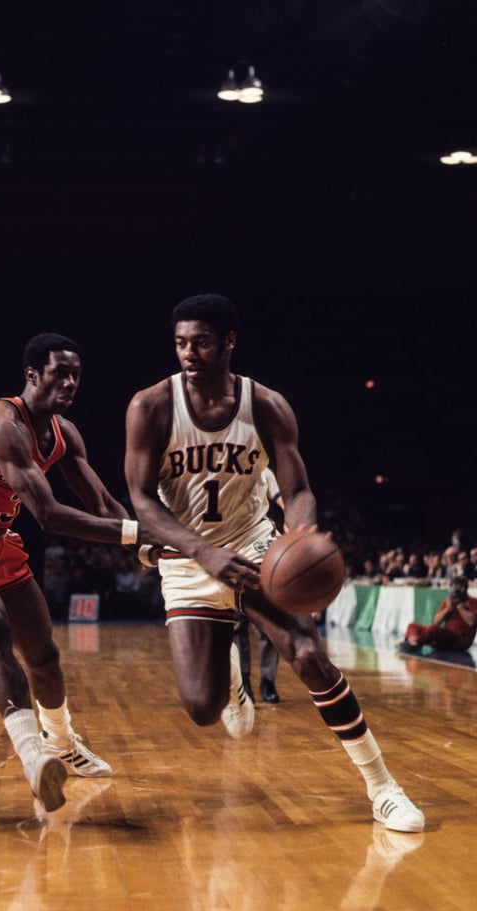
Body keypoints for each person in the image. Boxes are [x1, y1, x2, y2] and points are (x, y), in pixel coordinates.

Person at [124, 292, 425, 833]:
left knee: (307, 654)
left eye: (202, 343)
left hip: (254, 545)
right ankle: (232, 675)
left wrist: (299, 534)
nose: (189, 354)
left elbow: (299, 488)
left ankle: (383, 787)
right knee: (201, 708)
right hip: (191, 558)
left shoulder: (265, 405)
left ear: (229, 343)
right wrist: (202, 551)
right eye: (180, 343)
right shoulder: (151, 406)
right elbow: (142, 500)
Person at [0, 332, 154, 813]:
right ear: (31, 375)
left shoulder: (65, 432)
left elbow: (102, 504)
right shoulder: (1, 425)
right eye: (59, 372)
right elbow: (49, 514)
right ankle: (31, 757)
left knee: (44, 655)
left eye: (76, 374)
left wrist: (146, 549)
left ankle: (61, 742)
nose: (70, 382)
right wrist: (133, 535)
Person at [235, 466, 282, 703]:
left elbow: (283, 500)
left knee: (269, 626)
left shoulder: (263, 470)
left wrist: (295, 526)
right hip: (229, 550)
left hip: (260, 547)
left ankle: (268, 681)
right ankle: (244, 682)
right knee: (236, 627)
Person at [397, 575, 477, 653]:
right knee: (412, 626)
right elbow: (436, 621)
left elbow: (472, 622)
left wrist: (459, 607)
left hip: (460, 641)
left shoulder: (473, 601)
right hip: (445, 638)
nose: (457, 590)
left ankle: (415, 641)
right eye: (454, 587)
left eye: (460, 588)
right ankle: (414, 641)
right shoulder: (449, 601)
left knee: (433, 629)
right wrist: (448, 609)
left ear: (465, 588)